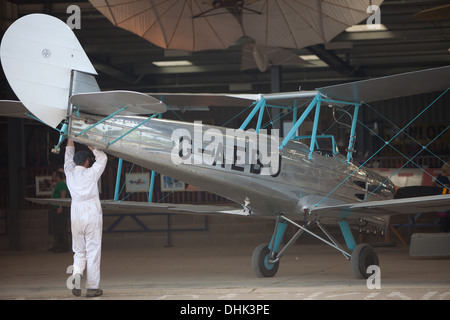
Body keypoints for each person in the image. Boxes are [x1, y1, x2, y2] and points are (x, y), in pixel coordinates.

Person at [64, 139, 107, 297]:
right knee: (93, 251)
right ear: (87, 162)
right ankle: (92, 288)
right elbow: (103, 158)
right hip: (91, 212)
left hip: (75, 212)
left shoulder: (69, 171)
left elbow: (68, 156)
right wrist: (88, 142)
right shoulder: (91, 173)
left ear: (76, 162)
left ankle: (76, 276)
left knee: (79, 251)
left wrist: (71, 138)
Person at [49, 169, 70, 252]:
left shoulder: (61, 184)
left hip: (60, 208)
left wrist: (60, 206)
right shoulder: (58, 184)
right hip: (56, 208)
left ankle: (63, 246)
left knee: (61, 227)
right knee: (56, 227)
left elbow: (63, 195)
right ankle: (58, 245)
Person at [434, 163, 450, 232]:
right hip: (443, 200)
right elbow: (439, 189)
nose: (443, 173)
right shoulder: (440, 177)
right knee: (444, 217)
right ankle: (444, 230)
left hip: (446, 200)